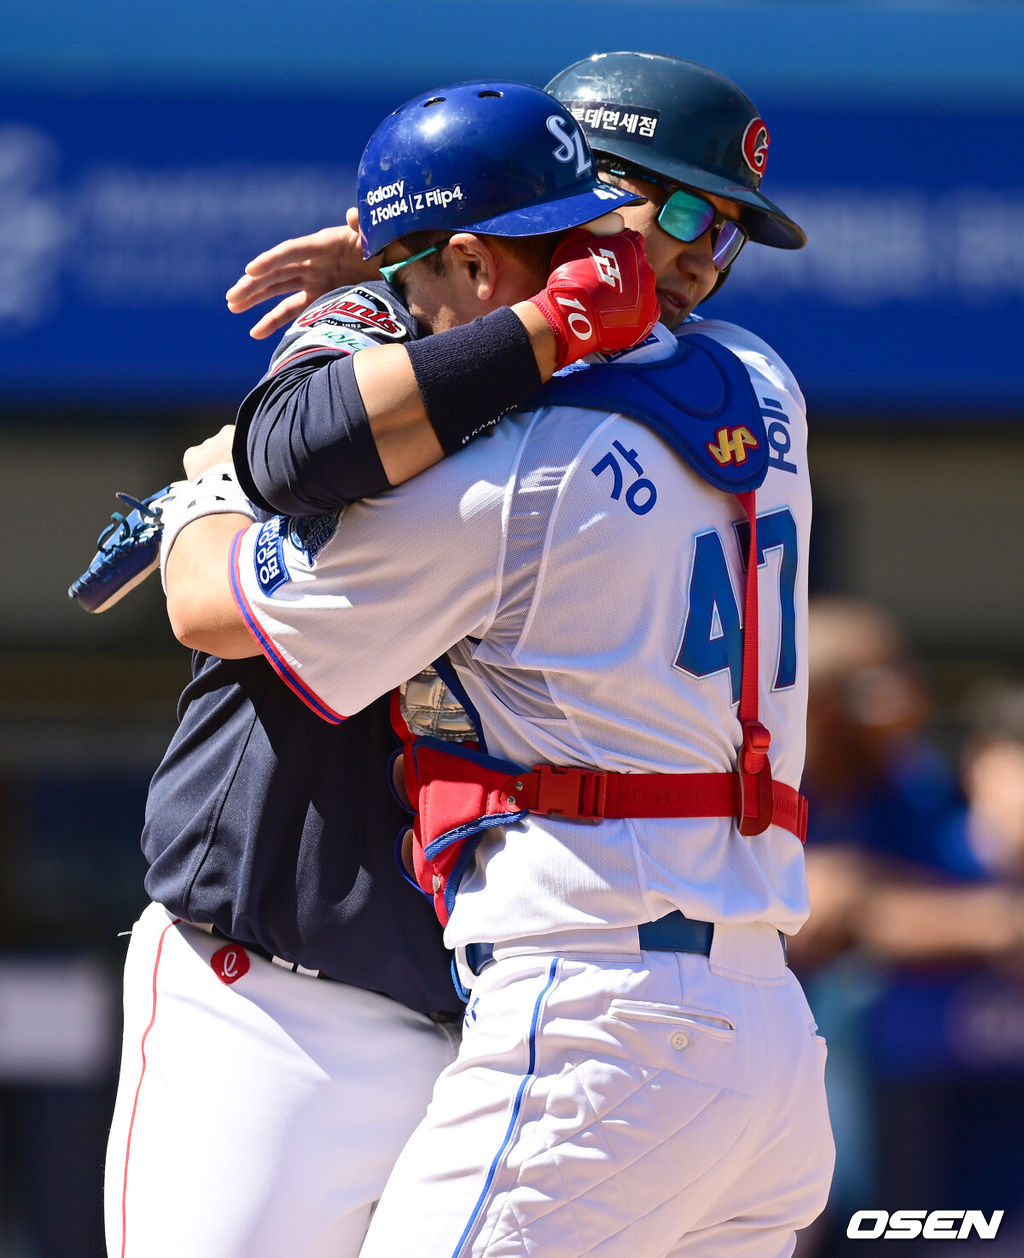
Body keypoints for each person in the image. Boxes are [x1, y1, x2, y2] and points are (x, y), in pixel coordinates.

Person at [165, 71, 832, 1258]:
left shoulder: (517, 457)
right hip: (767, 1046)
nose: (698, 257)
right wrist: (424, 286)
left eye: (725, 236)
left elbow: (213, 592)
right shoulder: (760, 387)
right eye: (680, 214)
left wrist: (200, 491)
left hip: (604, 1020)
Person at [94, 85, 656, 1258]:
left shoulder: (647, 401)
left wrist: (203, 500)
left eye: (604, 231)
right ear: (468, 252)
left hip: (484, 1021)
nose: (601, 262)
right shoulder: (370, 321)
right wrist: (405, 281)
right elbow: (287, 467)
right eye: (562, 234)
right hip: (269, 993)